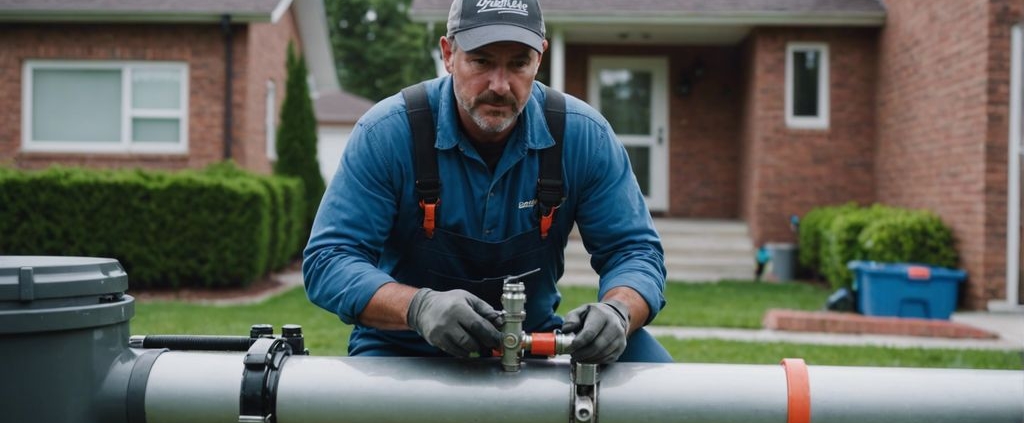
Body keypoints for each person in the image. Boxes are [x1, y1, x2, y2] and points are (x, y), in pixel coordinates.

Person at [303, 0, 672, 364]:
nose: (499, 85)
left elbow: (634, 250)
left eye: (518, 63)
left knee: (668, 396)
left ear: (539, 59)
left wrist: (619, 312)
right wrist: (418, 307)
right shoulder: (388, 133)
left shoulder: (582, 136)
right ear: (449, 54)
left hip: (534, 343)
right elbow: (330, 259)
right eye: (481, 61)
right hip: (401, 348)